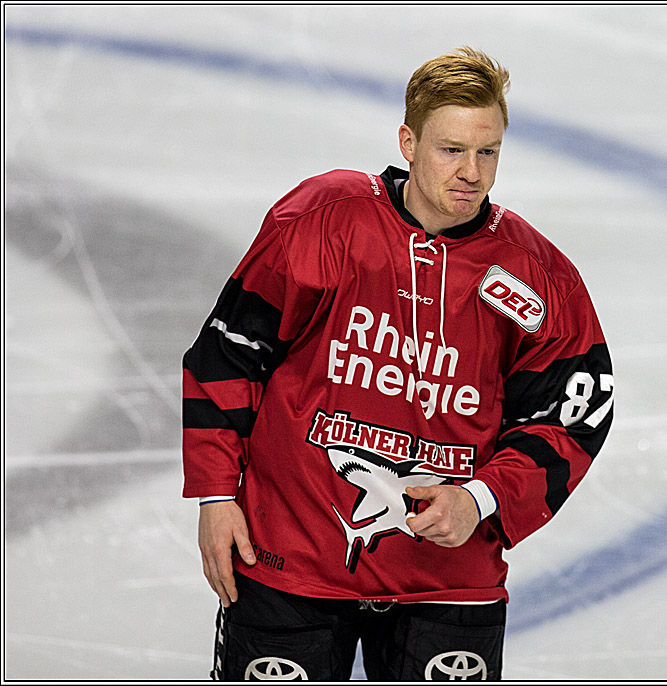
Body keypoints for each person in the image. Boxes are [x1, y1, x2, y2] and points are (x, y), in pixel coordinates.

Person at [182, 46, 614, 681]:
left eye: (487, 152)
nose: (470, 172)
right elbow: (229, 353)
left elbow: (576, 415)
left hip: (449, 580)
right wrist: (217, 494)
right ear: (408, 141)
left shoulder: (534, 275)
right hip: (292, 561)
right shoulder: (323, 221)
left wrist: (483, 498)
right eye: (451, 149)